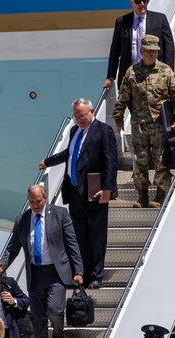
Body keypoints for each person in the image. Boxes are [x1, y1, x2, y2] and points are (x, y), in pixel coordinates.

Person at [2, 184, 84, 338]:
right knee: (38, 320)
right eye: (32, 202)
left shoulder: (59, 214)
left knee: (55, 309)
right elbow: (12, 248)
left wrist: (78, 271)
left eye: (38, 201)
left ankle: (58, 335)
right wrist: (1, 266)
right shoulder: (22, 220)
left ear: (45, 198)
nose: (35, 205)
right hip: (36, 274)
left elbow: (72, 243)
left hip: (56, 273)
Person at [40, 98, 118, 290]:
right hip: (74, 192)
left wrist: (108, 189)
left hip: (95, 191)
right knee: (78, 236)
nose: (79, 120)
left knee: (96, 236)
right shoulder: (75, 131)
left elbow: (110, 161)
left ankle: (96, 275)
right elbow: (70, 153)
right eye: (76, 116)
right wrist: (48, 161)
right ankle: (81, 274)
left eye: (82, 115)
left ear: (91, 111)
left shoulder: (103, 131)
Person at [113, 34, 175, 210]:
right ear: (141, 51)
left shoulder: (166, 72)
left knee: (161, 161)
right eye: (149, 51)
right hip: (139, 125)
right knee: (139, 162)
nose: (152, 54)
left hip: (160, 126)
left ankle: (160, 196)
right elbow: (123, 98)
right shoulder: (132, 73)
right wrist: (118, 118)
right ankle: (142, 196)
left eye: (155, 51)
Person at [104, 0, 175, 92]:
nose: (142, 4)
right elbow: (115, 51)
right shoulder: (121, 22)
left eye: (145, 1)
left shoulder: (160, 19)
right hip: (131, 76)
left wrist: (169, 73)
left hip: (154, 75)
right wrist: (110, 76)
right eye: (138, 1)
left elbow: (169, 48)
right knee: (132, 105)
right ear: (131, 2)